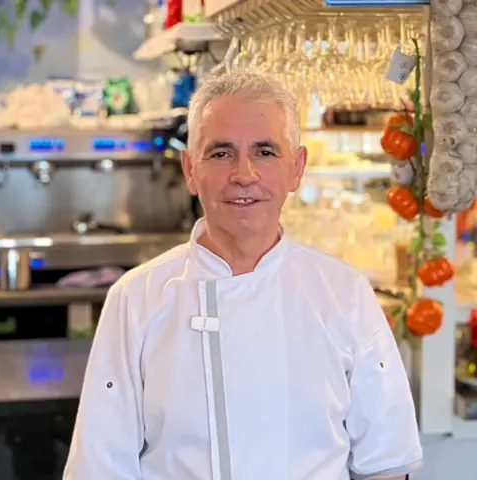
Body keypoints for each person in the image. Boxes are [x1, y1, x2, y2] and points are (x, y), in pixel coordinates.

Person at [64, 73, 422, 480]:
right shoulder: (136, 298)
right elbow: (100, 467)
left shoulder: (346, 294)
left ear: (297, 168)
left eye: (265, 152)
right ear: (190, 169)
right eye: (220, 153)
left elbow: (385, 464)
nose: (244, 174)